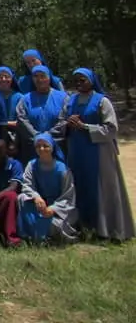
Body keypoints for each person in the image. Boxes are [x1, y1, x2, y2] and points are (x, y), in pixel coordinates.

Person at [61, 68, 134, 241]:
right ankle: (85, 228)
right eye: (76, 80)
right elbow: (60, 123)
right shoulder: (70, 102)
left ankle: (108, 230)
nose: (79, 83)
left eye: (83, 80)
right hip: (77, 153)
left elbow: (111, 129)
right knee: (80, 187)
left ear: (92, 80)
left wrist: (85, 127)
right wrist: (67, 124)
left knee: (103, 190)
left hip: (99, 153)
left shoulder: (102, 102)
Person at [18, 133, 78, 244]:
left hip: (59, 210)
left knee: (55, 224)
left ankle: (42, 234)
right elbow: (27, 185)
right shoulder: (32, 165)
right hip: (39, 206)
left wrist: (53, 209)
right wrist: (36, 197)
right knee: (22, 198)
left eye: (45, 146)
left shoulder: (63, 170)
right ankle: (33, 234)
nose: (41, 149)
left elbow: (68, 196)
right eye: (38, 146)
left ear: (52, 147)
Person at [15, 65, 68, 164]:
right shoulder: (25, 99)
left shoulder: (63, 97)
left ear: (49, 77)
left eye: (43, 76)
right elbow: (21, 119)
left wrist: (48, 137)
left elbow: (64, 120)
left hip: (57, 146)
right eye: (36, 76)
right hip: (32, 147)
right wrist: (37, 137)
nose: (39, 79)